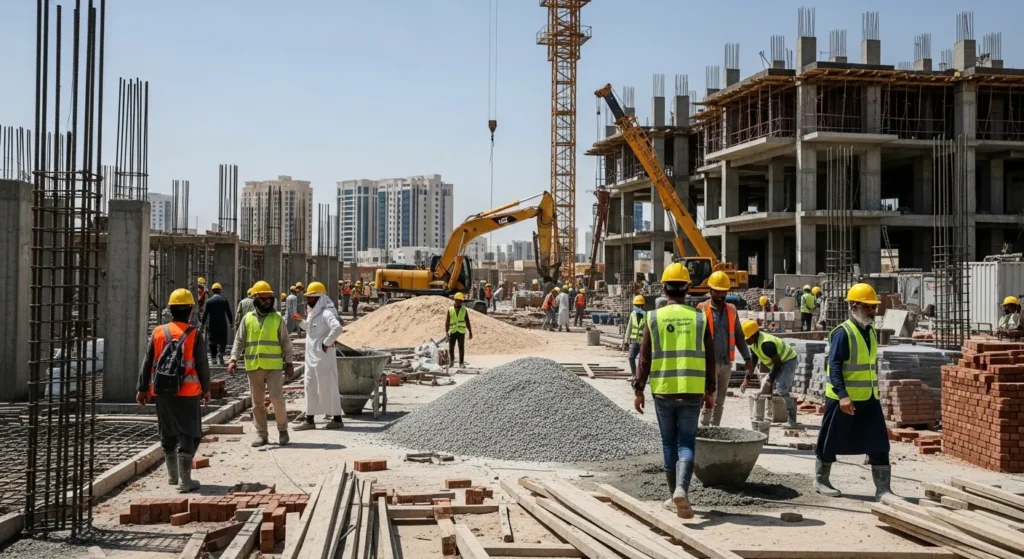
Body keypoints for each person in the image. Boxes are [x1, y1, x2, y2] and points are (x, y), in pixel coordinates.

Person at [633, 262, 715, 519]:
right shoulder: (700, 318)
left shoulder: (653, 317)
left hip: (664, 390)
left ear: (664, 288)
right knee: (686, 443)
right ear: (688, 288)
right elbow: (710, 358)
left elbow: (644, 358)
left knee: (669, 443)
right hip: (692, 391)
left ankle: (673, 496)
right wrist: (709, 391)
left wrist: (638, 389)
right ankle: (682, 489)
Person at [814, 283, 896, 501]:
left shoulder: (870, 331)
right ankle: (821, 480)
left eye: (873, 307)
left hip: (868, 398)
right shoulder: (843, 333)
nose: (873, 311)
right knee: (830, 440)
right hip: (843, 399)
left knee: (879, 442)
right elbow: (835, 367)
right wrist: (843, 395)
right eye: (869, 307)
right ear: (854, 306)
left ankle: (883, 489)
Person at [136, 288, 211, 493]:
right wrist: (206, 389)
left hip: (162, 391)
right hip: (187, 393)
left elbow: (148, 361)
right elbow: (203, 365)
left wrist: (142, 388)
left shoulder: (159, 332)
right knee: (190, 432)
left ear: (170, 310)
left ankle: (172, 476)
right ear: (190, 311)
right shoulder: (194, 334)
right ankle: (185, 480)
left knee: (167, 430)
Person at [228, 281, 294, 447]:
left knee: (277, 398)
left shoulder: (277, 318)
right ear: (255, 299)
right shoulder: (247, 319)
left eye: (269, 299)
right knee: (257, 403)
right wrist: (233, 359)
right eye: (263, 299)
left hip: (273, 367)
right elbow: (239, 340)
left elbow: (285, 342)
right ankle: (262, 434)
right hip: (254, 366)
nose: (267, 302)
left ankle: (282, 430)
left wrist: (289, 362)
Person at [698, 271, 755, 427]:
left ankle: (715, 428)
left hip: (726, 362)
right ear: (710, 290)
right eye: (717, 291)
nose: (720, 295)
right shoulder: (701, 309)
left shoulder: (731, 310)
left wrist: (747, 359)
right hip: (708, 362)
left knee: (721, 400)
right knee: (711, 395)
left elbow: (739, 336)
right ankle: (704, 427)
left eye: (723, 291)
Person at [293, 282, 345, 431]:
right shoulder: (313, 313)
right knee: (310, 387)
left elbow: (337, 327)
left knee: (329, 387)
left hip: (324, 359)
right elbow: (311, 330)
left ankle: (337, 419)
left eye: (311, 298)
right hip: (311, 359)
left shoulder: (326, 313)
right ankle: (309, 420)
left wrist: (326, 343)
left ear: (319, 298)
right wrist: (300, 322)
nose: (308, 300)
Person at [740, 319, 798, 428]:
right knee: (765, 384)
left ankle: (792, 419)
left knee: (781, 389)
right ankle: (769, 414)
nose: (745, 341)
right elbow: (753, 362)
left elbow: (778, 364)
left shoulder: (767, 344)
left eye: (747, 339)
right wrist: (746, 380)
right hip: (778, 363)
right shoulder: (753, 343)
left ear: (753, 335)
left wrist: (770, 379)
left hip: (788, 361)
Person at [201, 282, 234, 366]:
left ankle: (213, 358)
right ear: (220, 291)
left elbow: (205, 314)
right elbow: (229, 312)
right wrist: (231, 322)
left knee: (212, 341)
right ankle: (221, 354)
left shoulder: (209, 301)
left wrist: (202, 324)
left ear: (212, 291)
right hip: (222, 324)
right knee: (222, 341)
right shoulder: (224, 300)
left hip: (212, 325)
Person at [445, 292, 473, 367]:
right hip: (453, 331)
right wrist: (446, 332)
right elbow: (447, 321)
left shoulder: (464, 310)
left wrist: (470, 332)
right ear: (455, 300)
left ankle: (461, 363)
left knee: (461, 347)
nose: (460, 302)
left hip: (461, 332)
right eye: (459, 300)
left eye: (461, 301)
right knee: (451, 347)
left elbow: (467, 321)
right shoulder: (450, 309)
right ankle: (451, 362)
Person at [626, 295, 646, 382]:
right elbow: (629, 327)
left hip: (643, 341)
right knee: (631, 357)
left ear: (643, 306)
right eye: (636, 305)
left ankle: (645, 377)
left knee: (644, 360)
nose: (637, 307)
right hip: (634, 340)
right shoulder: (632, 315)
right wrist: (626, 339)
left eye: (638, 305)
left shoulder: (646, 315)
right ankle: (634, 375)